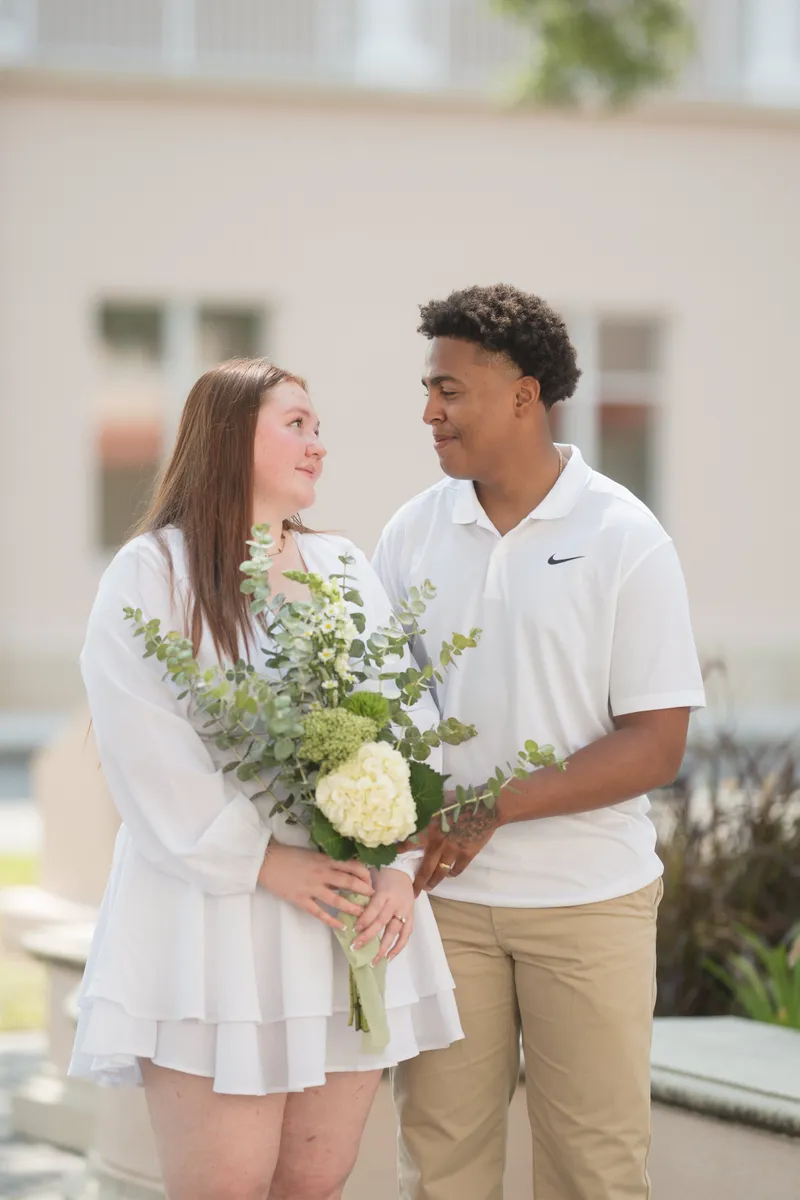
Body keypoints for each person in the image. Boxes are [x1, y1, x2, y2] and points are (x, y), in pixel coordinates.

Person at [68, 358, 462, 1200]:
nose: (319, 445)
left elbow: (410, 718)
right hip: (217, 926)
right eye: (296, 424)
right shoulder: (153, 575)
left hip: (342, 924)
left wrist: (396, 869)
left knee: (314, 1185)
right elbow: (146, 752)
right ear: (226, 436)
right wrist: (267, 863)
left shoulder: (347, 569)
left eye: (319, 428)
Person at [373, 284, 706, 1200]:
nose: (430, 412)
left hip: (588, 906)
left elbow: (654, 745)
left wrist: (492, 808)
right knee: (440, 1168)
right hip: (446, 910)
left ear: (524, 396)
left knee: (593, 1174)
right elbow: (381, 715)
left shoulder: (624, 537)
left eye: (450, 389)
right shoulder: (411, 532)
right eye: (427, 389)